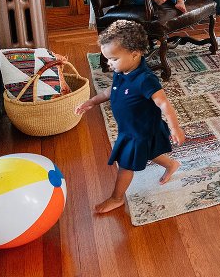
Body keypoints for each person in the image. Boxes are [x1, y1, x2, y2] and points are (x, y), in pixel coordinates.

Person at [75, 20, 186, 214]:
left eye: (113, 59)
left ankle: (116, 198)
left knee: (126, 164)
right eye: (107, 58)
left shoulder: (145, 79)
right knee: (150, 151)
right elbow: (112, 90)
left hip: (139, 131)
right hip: (131, 127)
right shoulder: (122, 69)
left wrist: (175, 128)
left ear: (135, 54)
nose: (109, 64)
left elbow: (163, 103)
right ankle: (172, 164)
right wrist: (93, 101)